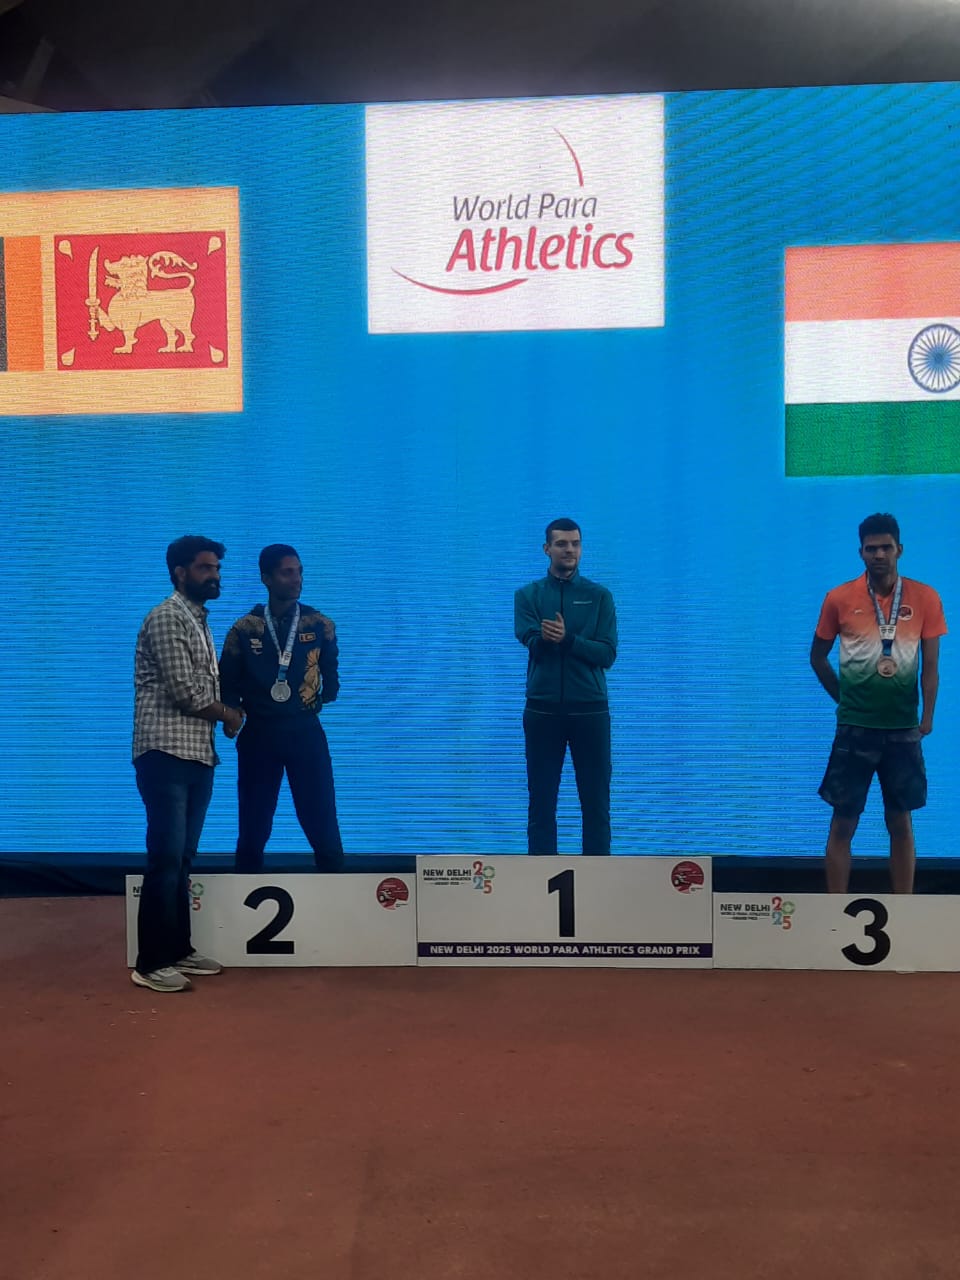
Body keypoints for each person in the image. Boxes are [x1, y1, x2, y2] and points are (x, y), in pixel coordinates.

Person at [810, 513, 947, 894]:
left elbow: (931, 667)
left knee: (900, 823)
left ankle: (903, 910)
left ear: (899, 549)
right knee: (843, 823)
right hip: (854, 730)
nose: (879, 555)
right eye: (871, 549)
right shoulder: (838, 598)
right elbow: (817, 657)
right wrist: (844, 699)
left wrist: (927, 717)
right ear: (861, 553)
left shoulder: (925, 597)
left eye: (886, 547)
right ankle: (836, 910)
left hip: (902, 730)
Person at [132, 536, 243, 993]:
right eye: (205, 568)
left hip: (198, 754)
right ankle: (150, 963)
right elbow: (186, 693)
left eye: (216, 568)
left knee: (182, 859)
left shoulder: (198, 620)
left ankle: (178, 948)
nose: (214, 575)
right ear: (180, 572)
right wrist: (231, 715)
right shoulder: (167, 617)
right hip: (164, 754)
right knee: (165, 858)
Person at [219, 544, 343, 872]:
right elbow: (227, 684)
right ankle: (245, 893)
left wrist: (310, 700)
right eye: (287, 573)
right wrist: (232, 715)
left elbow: (332, 685)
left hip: (305, 732)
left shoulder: (320, 625)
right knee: (253, 824)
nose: (297, 579)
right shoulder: (244, 629)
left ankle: (338, 893)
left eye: (299, 571)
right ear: (266, 578)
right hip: (259, 735)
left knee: (322, 821)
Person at [514, 518, 618, 855]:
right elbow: (531, 642)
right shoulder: (528, 595)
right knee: (541, 804)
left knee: (596, 805)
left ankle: (599, 878)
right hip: (542, 713)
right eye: (561, 544)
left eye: (575, 543)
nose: (569, 550)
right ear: (547, 549)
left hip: (591, 713)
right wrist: (546, 639)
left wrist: (569, 639)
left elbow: (607, 654)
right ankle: (539, 877)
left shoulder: (599, 596)